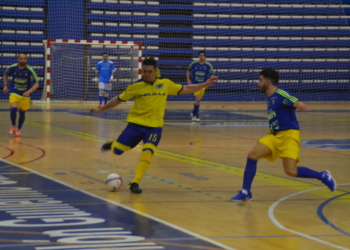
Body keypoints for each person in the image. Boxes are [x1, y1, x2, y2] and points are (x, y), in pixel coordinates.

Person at [91, 58, 218, 194]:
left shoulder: (165, 84)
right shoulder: (136, 86)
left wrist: (205, 84)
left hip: (154, 127)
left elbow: (186, 88)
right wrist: (101, 109)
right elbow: (118, 100)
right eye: (144, 71)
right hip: (135, 125)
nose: (147, 74)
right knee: (118, 151)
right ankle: (113, 145)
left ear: (156, 71)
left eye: (150, 71)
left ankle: (135, 183)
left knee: (148, 152)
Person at [230, 69, 336, 201]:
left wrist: (299, 105)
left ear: (267, 82)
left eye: (260, 80)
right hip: (274, 136)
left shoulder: (282, 94)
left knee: (290, 171)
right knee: (252, 155)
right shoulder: (270, 98)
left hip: (289, 135)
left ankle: (322, 175)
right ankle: (246, 192)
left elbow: (297, 103)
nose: (258, 84)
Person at [2, 53, 39, 136]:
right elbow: (6, 74)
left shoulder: (29, 70)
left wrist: (28, 92)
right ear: (18, 59)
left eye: (24, 59)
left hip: (25, 95)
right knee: (13, 109)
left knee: (22, 113)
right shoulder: (12, 68)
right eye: (21, 58)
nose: (22, 60)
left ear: (26, 60)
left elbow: (37, 84)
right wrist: (5, 86)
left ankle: (18, 129)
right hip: (14, 92)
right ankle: (13, 126)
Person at [186, 51, 214, 121]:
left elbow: (212, 74)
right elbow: (188, 71)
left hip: (203, 85)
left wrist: (210, 81)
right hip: (195, 85)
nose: (201, 57)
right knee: (198, 99)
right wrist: (188, 80)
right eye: (200, 55)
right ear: (198, 57)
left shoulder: (208, 65)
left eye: (203, 55)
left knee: (198, 101)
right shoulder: (194, 64)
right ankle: (195, 116)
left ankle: (193, 112)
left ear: (205, 57)